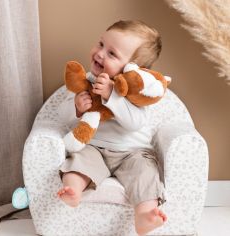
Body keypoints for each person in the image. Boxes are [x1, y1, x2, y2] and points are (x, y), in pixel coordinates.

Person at [57, 20, 167, 235]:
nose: (100, 54)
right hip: (95, 147)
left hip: (132, 153)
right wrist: (76, 107)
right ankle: (73, 190)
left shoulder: (136, 94)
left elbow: (135, 123)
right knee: (79, 159)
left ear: (131, 68)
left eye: (112, 53)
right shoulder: (86, 81)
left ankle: (145, 216)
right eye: (100, 44)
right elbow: (62, 118)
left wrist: (112, 96)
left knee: (146, 172)